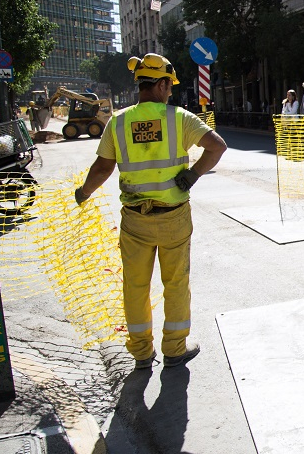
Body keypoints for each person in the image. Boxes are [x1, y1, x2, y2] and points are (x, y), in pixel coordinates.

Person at [74, 53, 227, 370]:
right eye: (169, 86)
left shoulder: (118, 121)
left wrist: (84, 192)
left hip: (135, 221)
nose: (170, 91)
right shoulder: (179, 118)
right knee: (176, 285)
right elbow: (217, 146)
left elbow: (103, 167)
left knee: (135, 286)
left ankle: (142, 353)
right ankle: (174, 349)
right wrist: (194, 174)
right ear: (159, 85)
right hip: (173, 217)